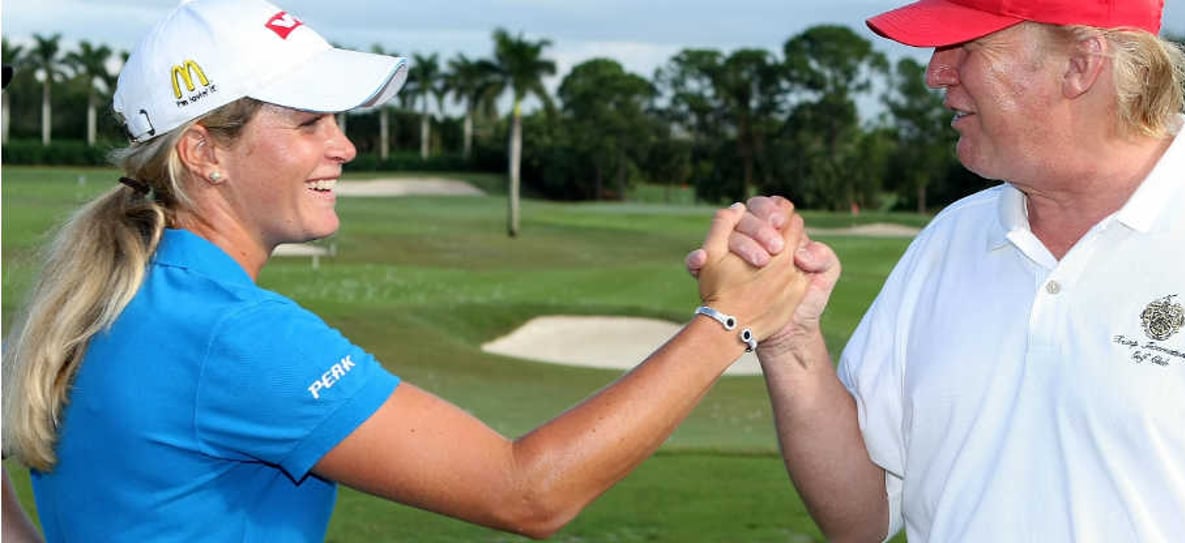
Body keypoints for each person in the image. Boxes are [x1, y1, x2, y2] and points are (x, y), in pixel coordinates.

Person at [0, 0, 816, 540]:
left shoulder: (116, 294)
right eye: (311, 121)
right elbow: (528, 490)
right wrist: (730, 321)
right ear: (204, 152)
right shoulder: (230, 333)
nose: (345, 145)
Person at [691, 0, 1185, 541]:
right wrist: (791, 339)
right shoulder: (951, 238)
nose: (935, 74)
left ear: (1081, 63)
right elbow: (862, 517)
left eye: (968, 45)